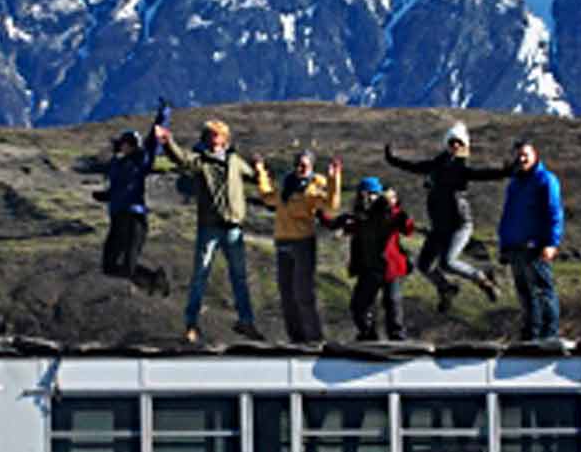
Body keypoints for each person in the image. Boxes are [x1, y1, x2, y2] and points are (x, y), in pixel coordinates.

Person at [157, 117, 270, 344]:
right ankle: (191, 324)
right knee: (200, 276)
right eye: (210, 135)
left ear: (224, 138)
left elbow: (254, 177)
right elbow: (181, 159)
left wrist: (260, 169)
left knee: (239, 278)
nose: (214, 139)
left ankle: (246, 322)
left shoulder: (235, 160)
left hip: (233, 228)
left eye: (217, 135)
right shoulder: (201, 161)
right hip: (209, 227)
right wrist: (168, 142)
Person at [384, 122, 506, 310]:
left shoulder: (461, 169)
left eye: (459, 143)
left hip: (459, 224)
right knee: (424, 265)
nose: (455, 146)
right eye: (452, 142)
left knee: (447, 262)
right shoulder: (435, 166)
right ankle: (446, 288)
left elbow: (483, 174)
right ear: (447, 144)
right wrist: (393, 159)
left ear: (464, 146)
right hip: (439, 226)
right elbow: (414, 166)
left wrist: (505, 171)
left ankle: (483, 279)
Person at [260, 149, 342, 343]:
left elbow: (331, 206)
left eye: (304, 165)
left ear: (311, 166)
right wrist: (261, 172)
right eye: (298, 164)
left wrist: (334, 179)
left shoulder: (315, 185)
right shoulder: (285, 185)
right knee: (286, 293)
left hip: (303, 242)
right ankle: (296, 337)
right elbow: (268, 197)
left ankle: (314, 337)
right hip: (283, 240)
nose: (300, 168)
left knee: (303, 292)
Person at [91, 108, 170, 295]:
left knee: (128, 264)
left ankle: (154, 281)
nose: (123, 147)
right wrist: (105, 196)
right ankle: (152, 280)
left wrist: (163, 116)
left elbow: (152, 142)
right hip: (118, 217)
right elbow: (118, 189)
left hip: (134, 218)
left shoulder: (141, 160)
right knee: (108, 266)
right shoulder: (117, 165)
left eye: (126, 143)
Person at [328, 176, 415, 341]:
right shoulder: (360, 217)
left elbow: (407, 228)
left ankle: (397, 336)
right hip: (369, 269)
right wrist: (320, 214)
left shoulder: (389, 213)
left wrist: (395, 208)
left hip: (389, 268)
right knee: (359, 306)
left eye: (371, 194)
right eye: (363, 194)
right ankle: (368, 335)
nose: (366, 198)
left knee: (392, 302)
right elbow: (339, 224)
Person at [496, 140, 564, 342]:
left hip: (535, 245)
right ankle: (531, 334)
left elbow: (555, 212)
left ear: (535, 155)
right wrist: (504, 244)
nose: (522, 159)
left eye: (525, 154)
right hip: (515, 246)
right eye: (519, 155)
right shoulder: (515, 183)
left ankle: (549, 334)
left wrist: (552, 242)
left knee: (543, 290)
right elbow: (508, 214)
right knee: (525, 293)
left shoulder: (545, 180)